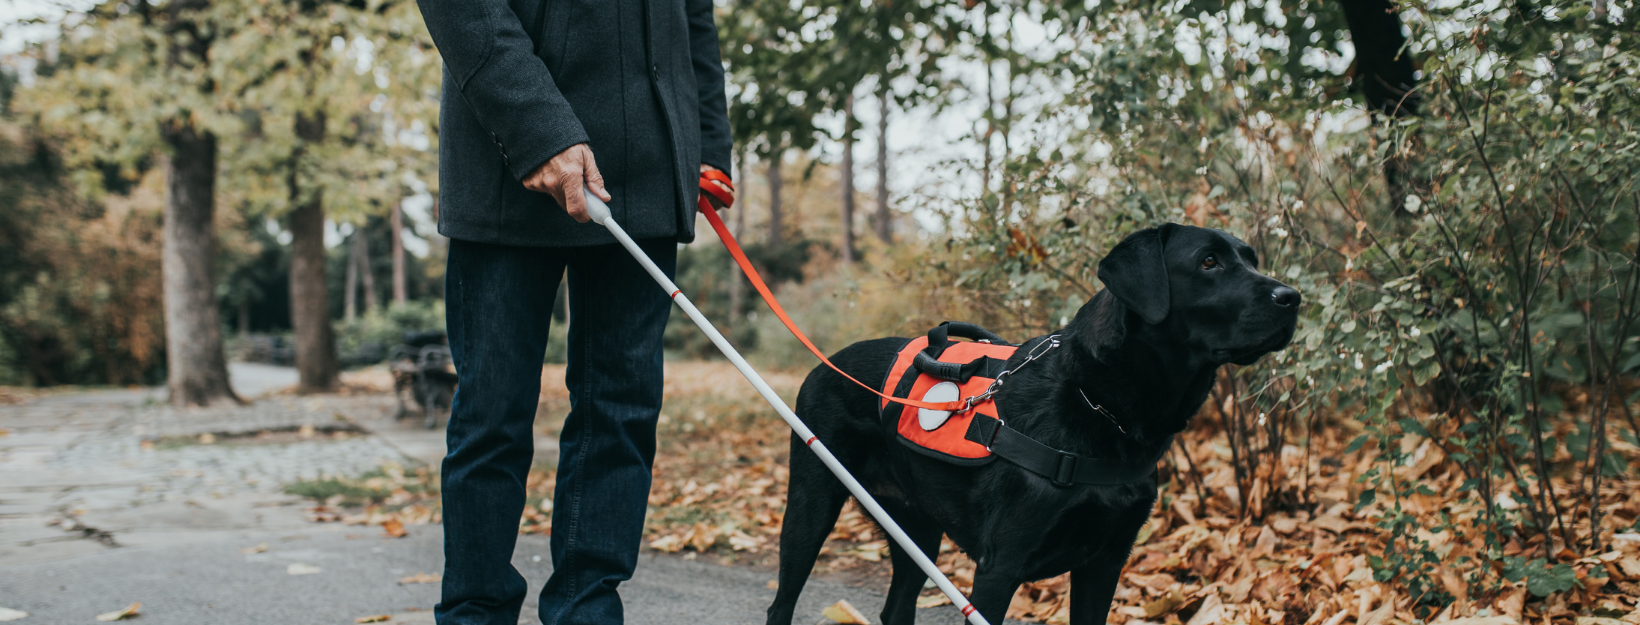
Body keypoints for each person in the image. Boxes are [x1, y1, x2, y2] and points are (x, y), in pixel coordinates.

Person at [412, 0, 734, 623]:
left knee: (621, 415)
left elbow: (694, 18)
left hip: (646, 173)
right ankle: (474, 613)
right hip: (509, 161)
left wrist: (706, 145)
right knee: (492, 416)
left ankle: (587, 611)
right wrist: (541, 130)